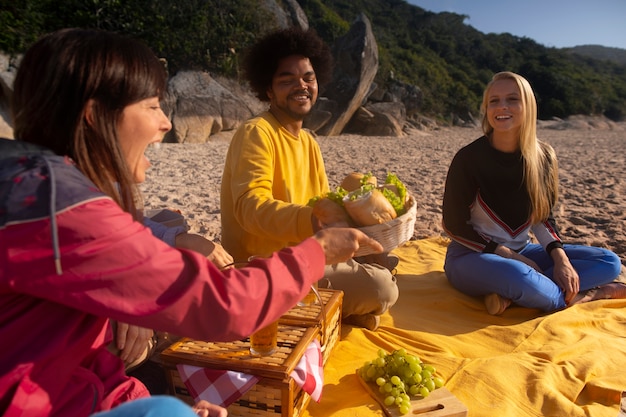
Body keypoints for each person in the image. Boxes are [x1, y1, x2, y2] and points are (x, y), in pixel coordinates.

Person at [0, 28, 385, 417]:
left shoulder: (37, 182)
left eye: (308, 78)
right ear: (95, 116)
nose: (166, 123)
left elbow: (79, 364)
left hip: (59, 392)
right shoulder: (60, 208)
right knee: (379, 287)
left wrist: (157, 404)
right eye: (152, 106)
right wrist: (316, 250)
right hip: (257, 272)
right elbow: (226, 305)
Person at [220, 27, 399, 332]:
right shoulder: (256, 132)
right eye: (286, 80)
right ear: (268, 90)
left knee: (385, 257)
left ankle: (343, 308)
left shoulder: (309, 142)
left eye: (308, 77)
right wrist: (313, 223)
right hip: (264, 267)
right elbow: (250, 207)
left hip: (308, 255)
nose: (301, 86)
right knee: (383, 289)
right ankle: (344, 309)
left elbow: (324, 204)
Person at [441, 71, 624, 316]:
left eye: (512, 99)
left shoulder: (543, 157)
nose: (502, 106)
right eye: (494, 101)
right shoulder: (468, 158)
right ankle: (592, 294)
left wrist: (562, 261)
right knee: (519, 276)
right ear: (486, 108)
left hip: (524, 252)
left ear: (528, 105)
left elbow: (543, 217)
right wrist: (511, 258)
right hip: (470, 257)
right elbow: (453, 225)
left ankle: (517, 294)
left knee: (609, 262)